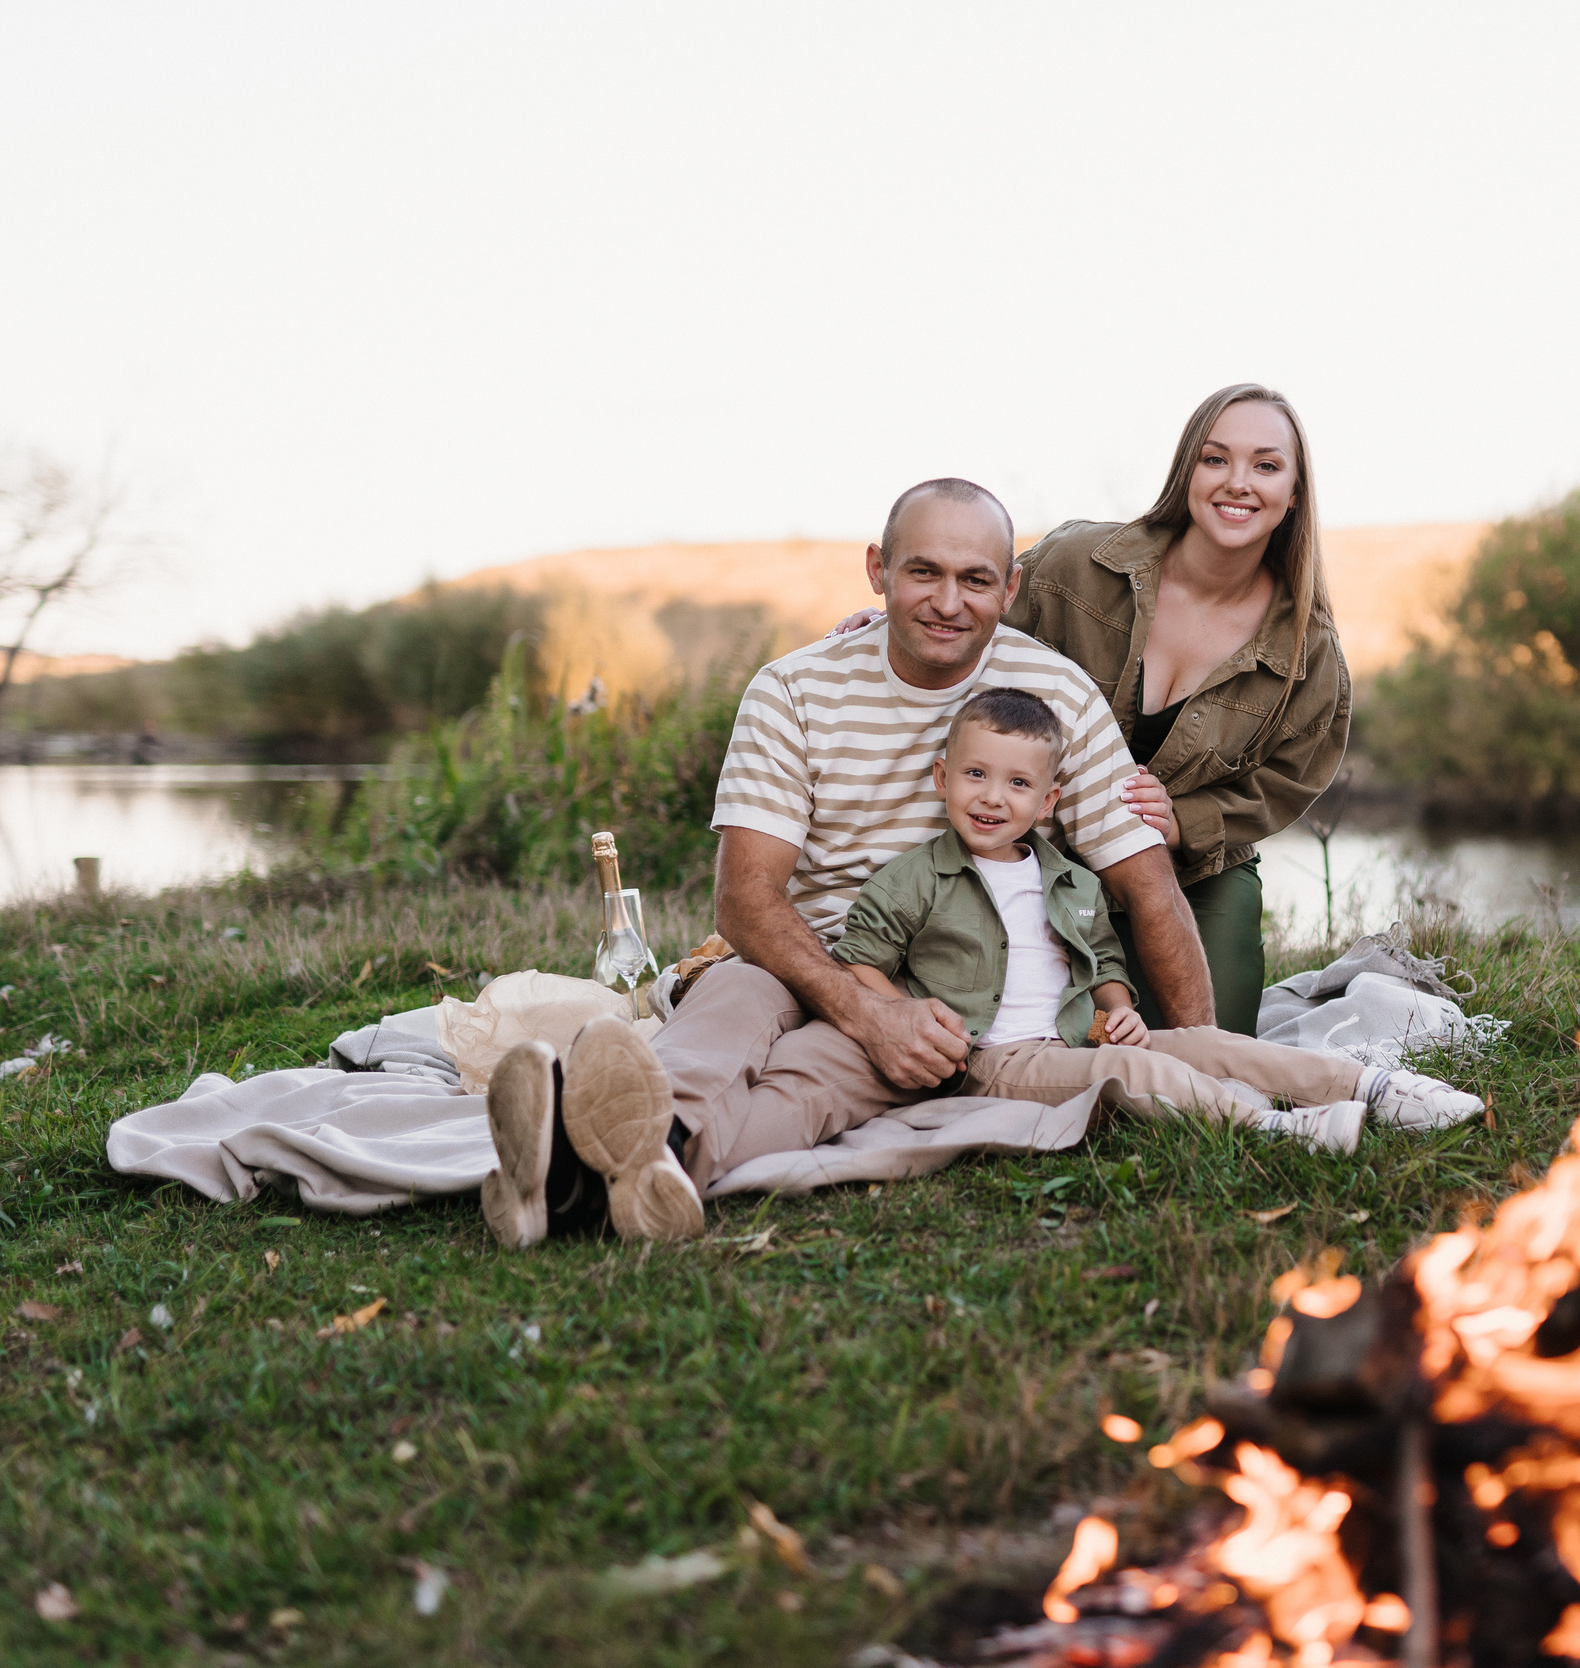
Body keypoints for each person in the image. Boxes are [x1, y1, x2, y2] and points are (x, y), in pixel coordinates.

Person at [478, 477, 1213, 1248]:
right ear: (878, 570)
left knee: (806, 1078)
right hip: (796, 952)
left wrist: (1203, 1062)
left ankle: (578, 1176)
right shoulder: (794, 688)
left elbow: (1149, 887)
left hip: (939, 994)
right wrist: (868, 1013)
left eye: (975, 579)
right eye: (923, 572)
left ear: (1010, 587)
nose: (948, 602)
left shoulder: (1056, 695)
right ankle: (618, 1161)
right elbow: (746, 899)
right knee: (731, 1001)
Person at [830, 688, 1484, 1151]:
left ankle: (1376, 1087)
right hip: (994, 1060)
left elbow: (1102, 960)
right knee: (1131, 1073)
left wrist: (1119, 1009)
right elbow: (858, 958)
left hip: (1080, 1037)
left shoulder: (1068, 880)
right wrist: (907, 1019)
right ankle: (1272, 1128)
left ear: (1048, 799)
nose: (993, 798)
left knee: (1210, 1044)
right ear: (942, 777)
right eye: (975, 774)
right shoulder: (914, 878)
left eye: (1018, 784)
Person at [1004, 383, 1347, 1036]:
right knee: (1050, 1035)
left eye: (1266, 465)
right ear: (1187, 469)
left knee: (1206, 1048)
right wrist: (888, 629)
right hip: (1044, 852)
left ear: (1294, 492)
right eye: (1215, 459)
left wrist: (1187, 822)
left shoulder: (1307, 648)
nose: (1238, 482)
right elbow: (975, 622)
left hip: (1196, 876)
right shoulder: (1076, 565)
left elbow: (1291, 777)